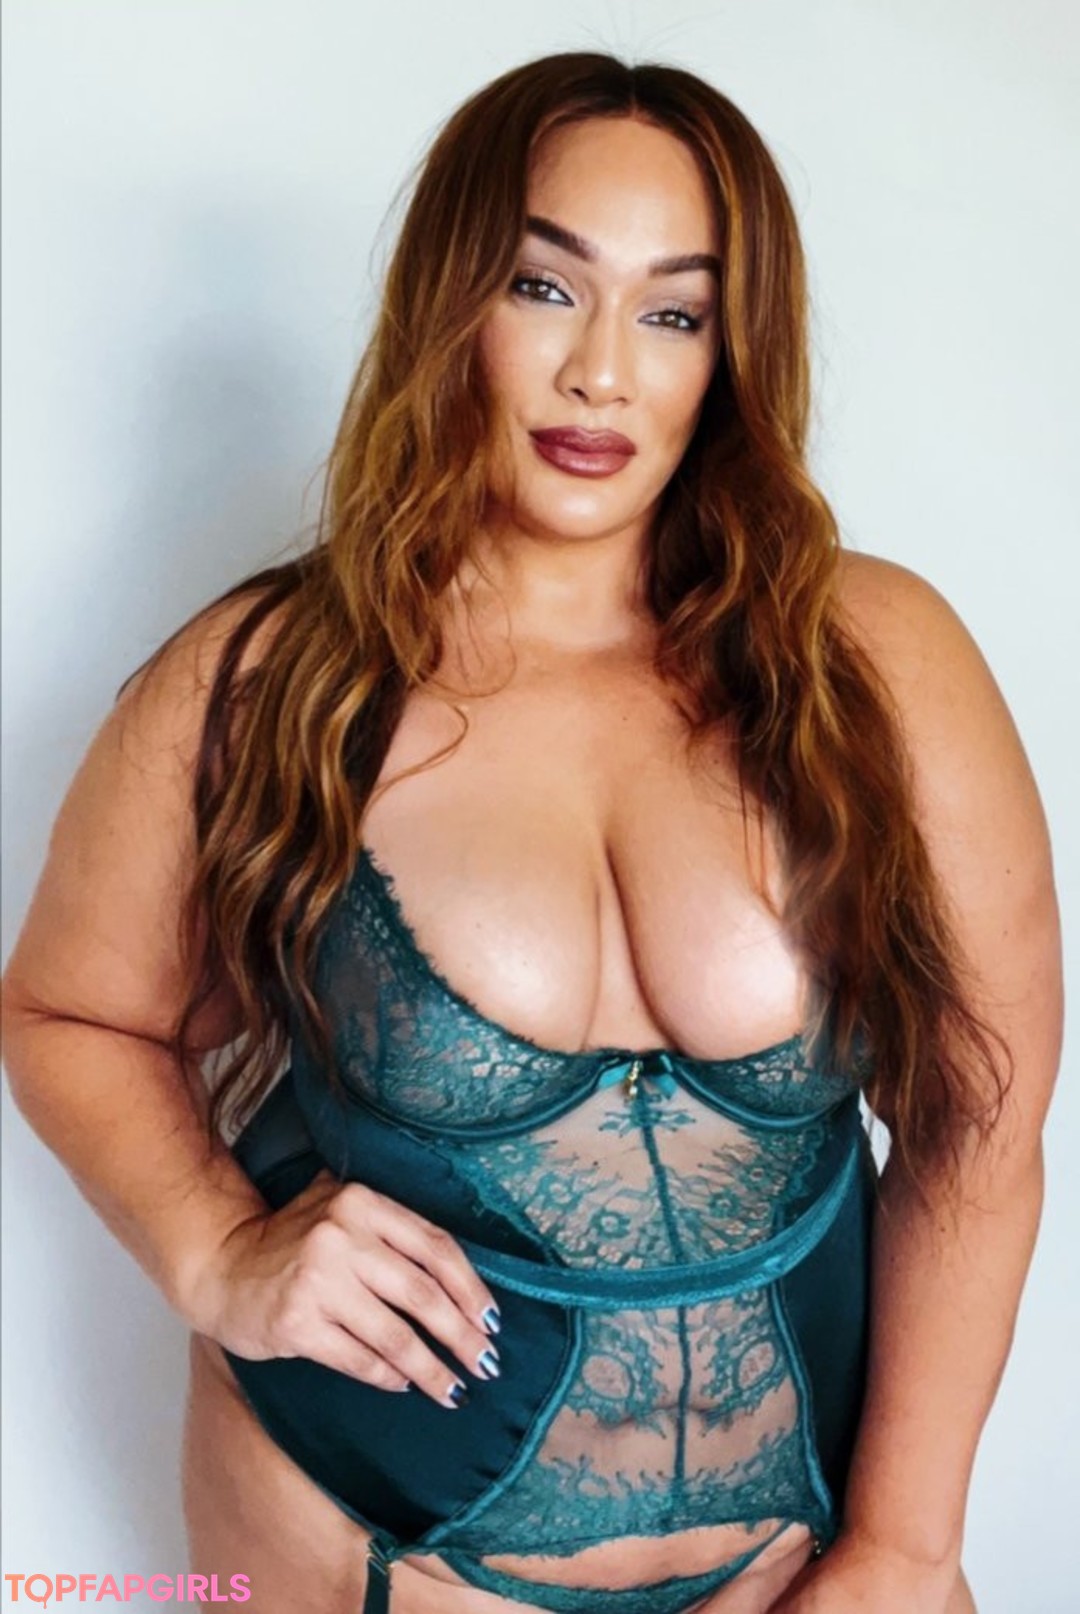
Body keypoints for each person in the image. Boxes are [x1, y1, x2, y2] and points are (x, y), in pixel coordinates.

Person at [0, 49, 1062, 1614]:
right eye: (546, 287)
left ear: (732, 353)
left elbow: (981, 1120)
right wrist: (218, 1248)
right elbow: (67, 1010)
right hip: (369, 1552)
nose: (601, 374)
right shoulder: (271, 680)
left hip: (807, 1563)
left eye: (674, 313)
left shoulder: (879, 667)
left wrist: (907, 1547)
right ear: (455, 303)